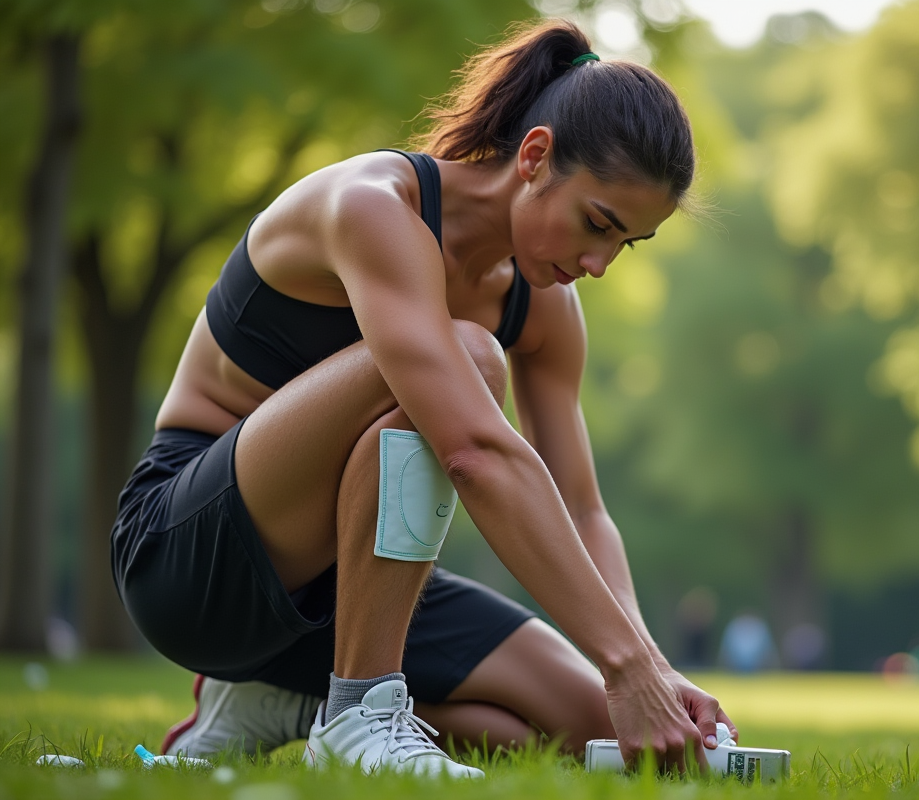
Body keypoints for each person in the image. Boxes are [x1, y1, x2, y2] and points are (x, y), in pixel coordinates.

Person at [111, 19, 736, 778]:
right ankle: (358, 711)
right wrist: (624, 662)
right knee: (468, 355)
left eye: (625, 242)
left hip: (350, 582)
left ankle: (286, 704)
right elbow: (474, 451)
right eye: (596, 224)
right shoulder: (374, 206)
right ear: (534, 157)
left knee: (598, 731)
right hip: (191, 558)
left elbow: (580, 506)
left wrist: (651, 670)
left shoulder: (543, 308)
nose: (599, 262)